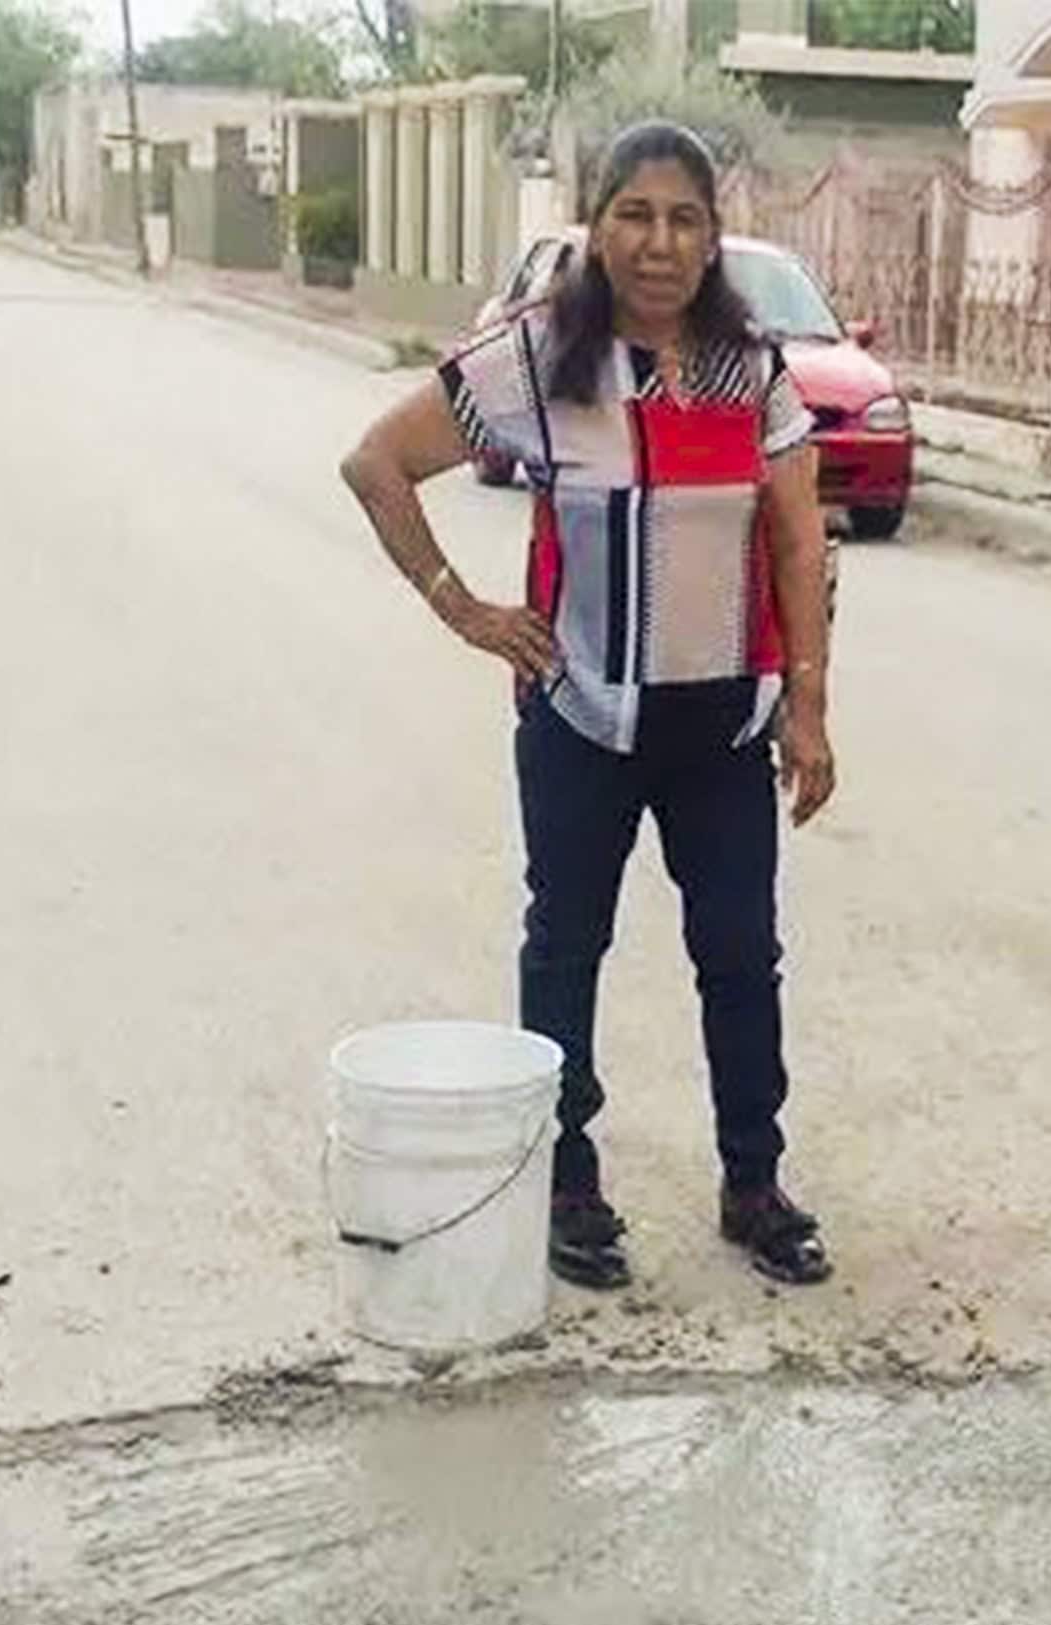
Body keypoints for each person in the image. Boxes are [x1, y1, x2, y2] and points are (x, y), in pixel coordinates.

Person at [340, 121, 839, 1291]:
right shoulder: (536, 361)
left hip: (721, 726)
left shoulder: (749, 369)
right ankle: (566, 1180)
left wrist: (807, 705)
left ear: (712, 237)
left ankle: (752, 1180)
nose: (659, 242)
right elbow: (375, 463)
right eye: (635, 214)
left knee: (739, 954)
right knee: (566, 945)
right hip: (582, 723)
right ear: (595, 224)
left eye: (684, 219)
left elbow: (796, 536)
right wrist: (460, 605)